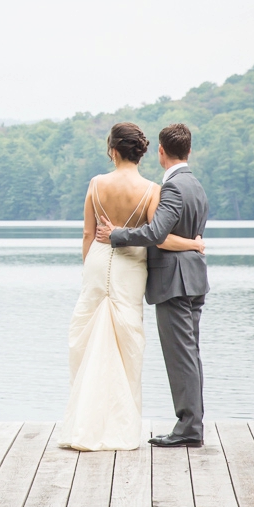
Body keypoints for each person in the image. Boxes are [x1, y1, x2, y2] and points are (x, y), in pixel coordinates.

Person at [61, 122, 205, 451]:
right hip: (130, 267)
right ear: (141, 152)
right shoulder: (152, 190)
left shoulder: (96, 184)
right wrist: (193, 244)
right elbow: (160, 237)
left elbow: (87, 233)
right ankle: (120, 426)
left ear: (112, 151)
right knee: (127, 342)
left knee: (85, 338)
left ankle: (82, 422)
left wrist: (89, 267)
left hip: (98, 262)